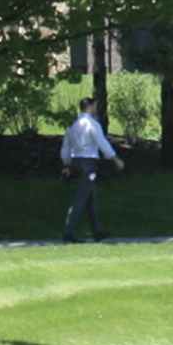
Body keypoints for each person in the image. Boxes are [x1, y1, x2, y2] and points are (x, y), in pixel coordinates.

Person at [60, 96, 123, 242]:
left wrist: (66, 165)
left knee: (90, 198)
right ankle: (68, 232)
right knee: (80, 199)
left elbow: (66, 147)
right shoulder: (92, 124)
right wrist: (116, 160)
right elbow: (102, 144)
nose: (96, 109)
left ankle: (97, 231)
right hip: (88, 163)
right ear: (90, 107)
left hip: (76, 161)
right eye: (94, 106)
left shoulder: (74, 125)